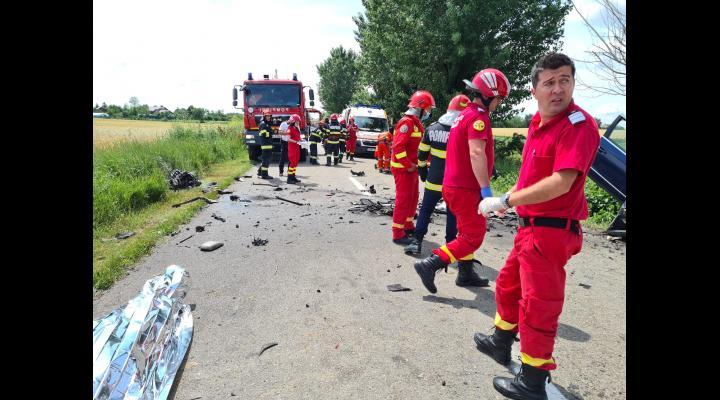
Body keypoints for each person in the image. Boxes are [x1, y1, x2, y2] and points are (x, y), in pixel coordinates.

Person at [474, 53, 600, 400]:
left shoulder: (577, 126)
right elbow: (535, 174)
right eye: (549, 82)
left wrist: (506, 200)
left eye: (565, 80)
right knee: (508, 286)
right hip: (530, 227)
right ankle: (500, 342)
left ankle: (532, 380)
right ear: (535, 91)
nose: (558, 89)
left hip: (551, 229)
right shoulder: (539, 123)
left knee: (538, 305)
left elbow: (561, 181)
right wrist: (512, 204)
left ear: (573, 83)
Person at [413, 68, 510, 292]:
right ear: (488, 94)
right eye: (499, 99)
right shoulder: (478, 118)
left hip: (455, 185)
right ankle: (431, 264)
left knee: (465, 232)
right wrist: (487, 191)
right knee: (473, 237)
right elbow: (477, 154)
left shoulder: (464, 114)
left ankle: (465, 273)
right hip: (465, 188)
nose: (498, 104)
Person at [403, 95, 470, 259]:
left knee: (426, 210)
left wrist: (423, 172)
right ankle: (449, 250)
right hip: (454, 183)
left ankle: (416, 242)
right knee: (453, 215)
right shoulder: (464, 131)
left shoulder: (432, 129)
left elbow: (422, 154)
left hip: (434, 179)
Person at [390, 90, 435, 245]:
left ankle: (408, 226)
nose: (429, 112)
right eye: (428, 109)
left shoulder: (417, 124)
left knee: (413, 198)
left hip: (412, 169)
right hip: (403, 169)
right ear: (420, 107)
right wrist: (408, 165)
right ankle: (397, 233)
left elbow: (420, 147)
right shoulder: (406, 123)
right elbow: (397, 147)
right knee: (403, 199)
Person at [285, 114, 304, 184]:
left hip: (297, 148)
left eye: (298, 122)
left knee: (295, 163)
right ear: (292, 122)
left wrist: (302, 141)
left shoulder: (296, 129)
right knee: (292, 163)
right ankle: (289, 178)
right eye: (296, 122)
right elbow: (288, 139)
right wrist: (296, 142)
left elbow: (298, 137)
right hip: (292, 148)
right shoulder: (289, 129)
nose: (298, 123)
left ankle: (293, 177)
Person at [256, 110, 274, 179]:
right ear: (264, 117)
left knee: (266, 159)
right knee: (266, 159)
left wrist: (270, 132)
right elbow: (262, 134)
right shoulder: (263, 124)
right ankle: (264, 175)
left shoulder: (266, 124)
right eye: (267, 116)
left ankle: (260, 172)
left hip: (268, 144)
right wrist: (270, 133)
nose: (269, 117)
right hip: (265, 145)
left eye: (269, 116)